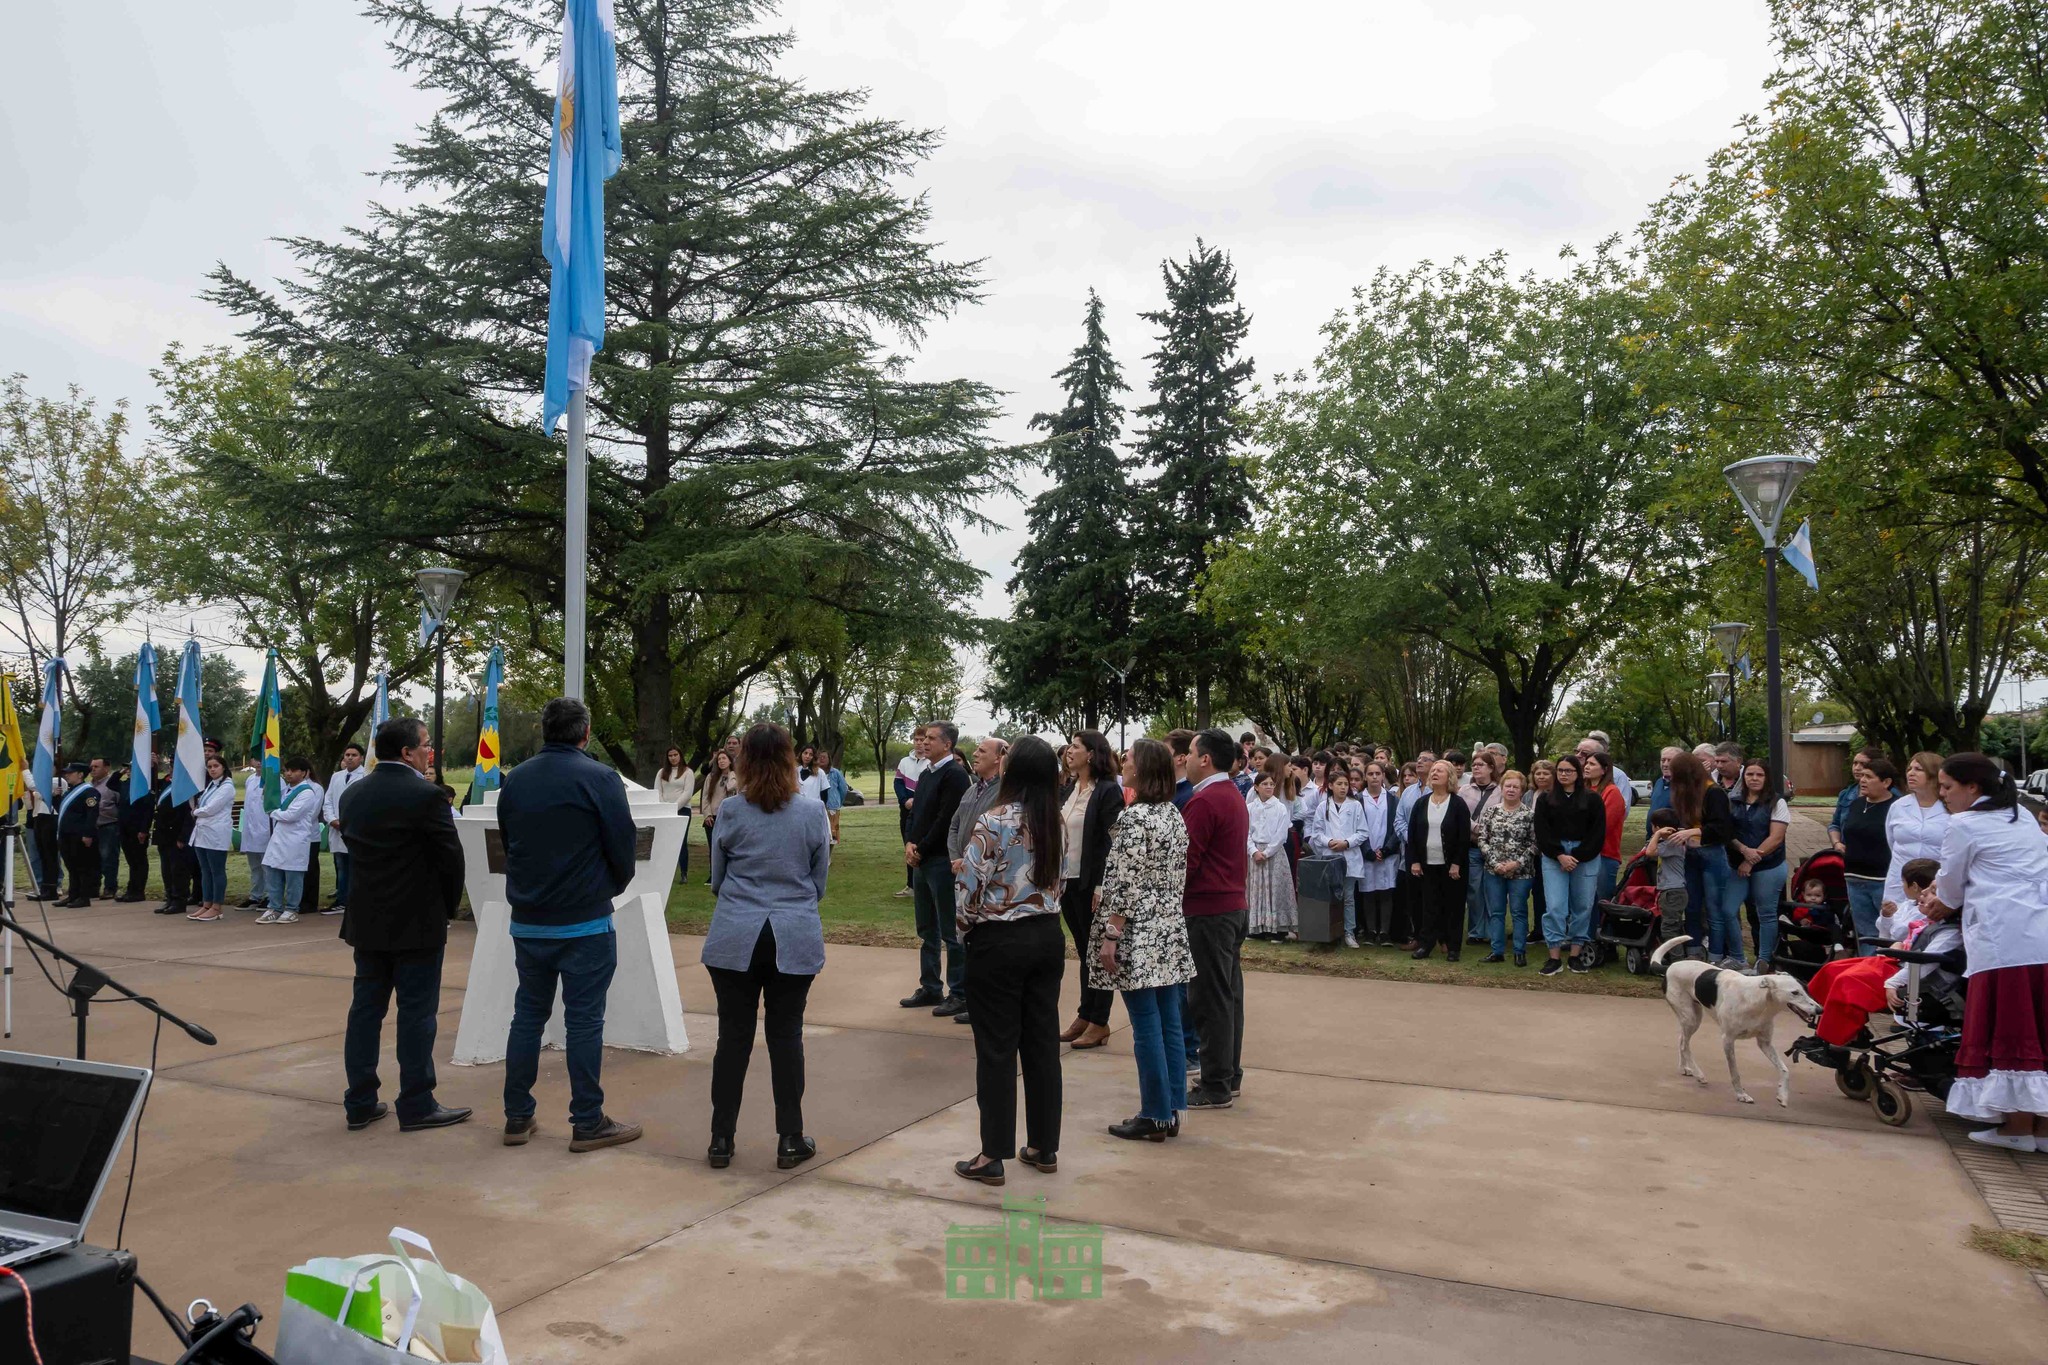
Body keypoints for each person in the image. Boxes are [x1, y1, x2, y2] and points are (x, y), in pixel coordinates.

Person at [498, 696, 641, 1152]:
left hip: (529, 920)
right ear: (586, 732)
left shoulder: (516, 779)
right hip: (584, 922)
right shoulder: (600, 778)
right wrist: (606, 888)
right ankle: (587, 1120)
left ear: (544, 730)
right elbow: (623, 845)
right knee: (583, 1023)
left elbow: (508, 841)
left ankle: (517, 1115)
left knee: (527, 1017)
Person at [703, 723, 831, 1171]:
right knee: (786, 1035)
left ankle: (721, 1138)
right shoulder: (812, 811)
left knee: (732, 1038)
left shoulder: (732, 810)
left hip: (736, 931)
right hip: (792, 931)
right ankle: (790, 1138)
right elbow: (819, 878)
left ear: (745, 761)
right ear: (789, 759)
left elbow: (718, 877)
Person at [338, 716, 471, 1134]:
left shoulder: (353, 794)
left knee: (365, 1012)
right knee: (416, 1014)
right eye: (426, 745)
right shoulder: (428, 796)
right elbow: (451, 859)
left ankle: (360, 1101)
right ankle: (416, 1103)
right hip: (417, 921)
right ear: (407, 752)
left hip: (367, 919)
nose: (430, 752)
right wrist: (446, 909)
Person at [953, 735, 1065, 1185]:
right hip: (1046, 935)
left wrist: (965, 931)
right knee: (1041, 1044)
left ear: (1012, 771)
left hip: (999, 939)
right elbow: (1061, 880)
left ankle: (992, 1153)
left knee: (997, 1048)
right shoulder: (1055, 820)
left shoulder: (994, 820)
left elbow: (970, 887)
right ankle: (1043, 1144)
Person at [1932, 752, 2048, 1151]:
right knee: (2040, 1028)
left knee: (2011, 1027)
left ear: (1972, 787)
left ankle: (2017, 1127)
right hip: (2040, 933)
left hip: (2003, 939)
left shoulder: (1963, 824)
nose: (1943, 794)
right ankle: (2042, 1130)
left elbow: (1950, 886)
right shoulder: (2023, 818)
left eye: (1947, 787)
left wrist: (1939, 903)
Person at [1090, 737, 1194, 1143]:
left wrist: (1111, 933)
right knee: (1169, 1022)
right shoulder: (1172, 813)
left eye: (1129, 757)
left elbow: (1127, 881)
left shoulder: (1136, 818)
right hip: (1167, 928)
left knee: (1147, 1025)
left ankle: (1154, 1112)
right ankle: (1171, 1110)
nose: (1124, 762)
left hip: (1139, 931)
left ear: (1143, 768)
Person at [1793, 859, 1955, 1069]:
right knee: (1832, 969)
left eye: (1932, 891)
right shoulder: (1925, 919)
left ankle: (1838, 1039)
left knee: (1847, 982)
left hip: (1915, 979)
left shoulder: (1948, 932)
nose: (1924, 893)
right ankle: (1833, 1024)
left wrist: (1893, 981)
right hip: (1901, 964)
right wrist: (1900, 943)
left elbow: (1926, 962)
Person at [1182, 728, 1251, 1109]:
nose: (1187, 760)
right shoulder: (1231, 794)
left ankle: (1215, 1084)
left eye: (1191, 753)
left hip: (1209, 911)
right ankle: (1227, 1075)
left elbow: (1186, 862)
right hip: (1231, 907)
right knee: (1227, 997)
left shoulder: (1206, 800)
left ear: (1205, 759)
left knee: (1210, 1000)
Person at [1057, 731, 1124, 1048]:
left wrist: (1101, 884)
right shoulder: (1070, 788)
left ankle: (1099, 1021)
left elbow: (1111, 842)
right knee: (1085, 951)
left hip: (1091, 884)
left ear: (1092, 754)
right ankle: (1085, 1015)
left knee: (1096, 953)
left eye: (1076, 746)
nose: (1069, 751)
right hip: (1066, 881)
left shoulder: (1108, 791)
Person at [903, 721, 971, 1017]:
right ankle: (931, 987)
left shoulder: (954, 775)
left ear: (948, 744)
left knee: (950, 930)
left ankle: (959, 993)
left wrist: (921, 848)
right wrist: (909, 843)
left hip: (941, 861)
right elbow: (915, 813)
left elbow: (946, 820)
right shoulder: (926, 773)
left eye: (931, 738)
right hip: (921, 859)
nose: (924, 742)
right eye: (923, 738)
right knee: (926, 928)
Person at [1534, 753, 1605, 976]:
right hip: (1554, 857)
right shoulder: (1545, 799)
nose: (1564, 774)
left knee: (1582, 906)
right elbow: (1542, 831)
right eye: (1561, 770)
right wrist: (1559, 855)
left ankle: (1575, 954)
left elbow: (1598, 832)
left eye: (1569, 771)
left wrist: (1577, 855)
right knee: (1555, 906)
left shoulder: (1592, 799)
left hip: (1585, 857)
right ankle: (1554, 957)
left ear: (1578, 773)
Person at [1406, 759, 1473, 962]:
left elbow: (1464, 837)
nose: (1434, 773)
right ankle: (1426, 945)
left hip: (1452, 866)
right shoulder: (1421, 803)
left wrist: (1456, 863)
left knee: (1453, 906)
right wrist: (1415, 861)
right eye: (1433, 770)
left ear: (1449, 777)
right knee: (1429, 906)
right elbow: (1412, 835)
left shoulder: (1458, 804)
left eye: (1440, 771)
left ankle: (1453, 947)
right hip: (1427, 865)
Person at [1728, 759, 1791, 972]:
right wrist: (1742, 851)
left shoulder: (1777, 802)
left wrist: (1750, 860)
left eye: (1759, 775)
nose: (1754, 779)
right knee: (1728, 910)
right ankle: (1737, 957)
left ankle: (1764, 960)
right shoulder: (1732, 800)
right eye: (1750, 774)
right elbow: (1727, 832)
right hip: (1736, 864)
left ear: (1767, 778)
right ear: (1743, 777)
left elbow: (1776, 838)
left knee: (1765, 914)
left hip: (1769, 866)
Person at [1840, 754, 1901, 954]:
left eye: (1869, 777)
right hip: (1854, 879)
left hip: (1882, 880)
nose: (1862, 780)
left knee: (1888, 931)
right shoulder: (1857, 804)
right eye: (1862, 776)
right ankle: (1867, 968)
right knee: (1866, 933)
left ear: (1886, 782)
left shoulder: (1897, 807)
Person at [1882, 752, 1951, 926]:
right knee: (1894, 927)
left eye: (1918, 769)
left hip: (1935, 882)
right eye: (1909, 769)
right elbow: (1892, 841)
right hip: (1900, 881)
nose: (1911, 773)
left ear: (1934, 774)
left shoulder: (1950, 807)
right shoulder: (1898, 806)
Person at [1475, 769, 1536, 966]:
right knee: (1496, 911)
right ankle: (1497, 951)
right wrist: (1495, 863)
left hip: (1521, 873)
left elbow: (1535, 844)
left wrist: (1516, 863)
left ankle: (1519, 951)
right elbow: (1482, 839)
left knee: (1518, 912)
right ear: (1501, 788)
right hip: (1494, 871)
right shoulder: (1491, 812)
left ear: (1522, 790)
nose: (1511, 790)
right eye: (1508, 786)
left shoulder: (1529, 815)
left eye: (1515, 787)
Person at [258, 757, 324, 925]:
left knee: (293, 875)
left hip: (295, 838)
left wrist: (273, 812)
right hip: (279, 837)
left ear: (304, 773)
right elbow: (275, 807)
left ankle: (292, 908)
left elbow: (291, 815)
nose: (288, 773)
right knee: (273, 871)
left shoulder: (307, 792)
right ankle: (275, 907)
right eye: (287, 770)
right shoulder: (285, 790)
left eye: (293, 770)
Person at [1307, 766, 1366, 946]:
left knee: (1348, 897)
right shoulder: (1323, 807)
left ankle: (1349, 932)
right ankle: (1329, 932)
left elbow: (1363, 832)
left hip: (1349, 855)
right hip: (1329, 856)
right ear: (1330, 786)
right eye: (1339, 784)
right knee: (1329, 897)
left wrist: (1346, 843)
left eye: (1346, 784)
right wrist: (1329, 842)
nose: (1343, 787)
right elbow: (1317, 832)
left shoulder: (1355, 806)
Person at [1245, 770, 1297, 942]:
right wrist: (1253, 851)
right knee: (1256, 889)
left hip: (1274, 853)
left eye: (1271, 784)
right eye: (1265, 784)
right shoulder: (1250, 808)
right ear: (1256, 787)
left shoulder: (1280, 808)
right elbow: (1246, 832)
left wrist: (1267, 852)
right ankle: (1257, 928)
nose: (1268, 787)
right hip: (1255, 852)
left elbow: (1281, 835)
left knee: (1275, 889)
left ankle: (1278, 930)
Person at [1353, 760, 1400, 944]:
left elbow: (1397, 826)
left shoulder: (1392, 799)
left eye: (1377, 774)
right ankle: (1371, 930)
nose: (1374, 777)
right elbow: (1355, 827)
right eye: (1370, 774)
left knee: (1386, 891)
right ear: (1365, 777)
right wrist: (1368, 851)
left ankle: (1385, 931)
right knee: (1368, 892)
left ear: (1383, 776)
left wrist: (1386, 849)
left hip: (1387, 854)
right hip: (1367, 854)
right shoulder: (1358, 800)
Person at [185, 755, 236, 923]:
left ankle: (217, 906)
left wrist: (195, 812)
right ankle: (207, 904)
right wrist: (197, 809)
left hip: (216, 834)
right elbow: (201, 804)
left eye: (216, 766)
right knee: (205, 870)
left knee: (216, 870)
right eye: (209, 767)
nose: (212, 769)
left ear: (223, 767)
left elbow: (210, 809)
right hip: (202, 832)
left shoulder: (227, 786)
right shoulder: (211, 785)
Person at [1458, 752, 1502, 945]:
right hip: (1472, 846)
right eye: (1474, 764)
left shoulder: (1501, 790)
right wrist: (1477, 828)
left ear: (1491, 768)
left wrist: (1487, 830)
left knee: (1493, 890)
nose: (1476, 767)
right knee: (1474, 890)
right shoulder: (1464, 791)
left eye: (1481, 764)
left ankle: (1493, 931)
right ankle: (1476, 931)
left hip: (1494, 848)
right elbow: (1460, 814)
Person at [323, 743, 369, 914]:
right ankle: (342, 900)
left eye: (354, 755)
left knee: (355, 868)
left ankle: (353, 901)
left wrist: (350, 822)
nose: (349, 758)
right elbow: (328, 801)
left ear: (361, 758)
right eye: (347, 755)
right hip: (337, 828)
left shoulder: (366, 776)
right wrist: (332, 819)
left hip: (356, 830)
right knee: (341, 866)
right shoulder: (336, 776)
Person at [1579, 751, 1627, 901]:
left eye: (1592, 764)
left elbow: (1605, 825)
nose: (1587, 767)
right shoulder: (1581, 790)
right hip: (1581, 852)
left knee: (1601, 901)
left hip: (1604, 854)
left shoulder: (1612, 792)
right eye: (1586, 763)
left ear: (1604, 769)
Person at [55, 762, 101, 907]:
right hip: (66, 835)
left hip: (79, 835)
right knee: (71, 866)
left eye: (70, 773)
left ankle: (84, 897)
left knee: (82, 867)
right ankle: (73, 895)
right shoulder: (69, 791)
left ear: (80, 775)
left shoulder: (89, 792)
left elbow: (92, 814)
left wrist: (88, 834)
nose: (67, 775)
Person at [151, 766, 195, 917]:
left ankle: (179, 900)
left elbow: (188, 815)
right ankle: (169, 897)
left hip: (176, 833)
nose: (172, 769)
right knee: (166, 869)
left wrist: (183, 837)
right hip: (163, 833)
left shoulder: (186, 786)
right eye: (171, 766)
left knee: (178, 870)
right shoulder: (166, 783)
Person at [1645, 808, 1691, 948]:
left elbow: (1649, 852)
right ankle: (1675, 954)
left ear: (1657, 827)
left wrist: (1657, 834)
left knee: (1669, 929)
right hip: (1670, 891)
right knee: (1671, 925)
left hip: (1673, 892)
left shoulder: (1672, 844)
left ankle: (1676, 957)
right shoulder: (1668, 843)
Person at [893, 740, 929, 897]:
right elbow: (898, 783)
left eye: (923, 739)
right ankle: (911, 885)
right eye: (916, 740)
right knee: (908, 845)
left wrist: (919, 800)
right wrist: (904, 800)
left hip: (925, 811)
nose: (920, 743)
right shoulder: (904, 762)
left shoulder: (931, 762)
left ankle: (925, 885)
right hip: (907, 810)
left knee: (924, 846)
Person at [115, 761, 155, 902]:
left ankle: (138, 891)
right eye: (128, 768)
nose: (129, 771)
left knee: (139, 860)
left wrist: (144, 830)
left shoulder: (144, 786)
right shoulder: (126, 784)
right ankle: (131, 890)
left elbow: (148, 810)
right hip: (124, 827)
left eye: (132, 769)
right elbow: (111, 784)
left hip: (137, 829)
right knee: (131, 861)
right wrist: (121, 771)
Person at [656, 746, 697, 883]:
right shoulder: (662, 772)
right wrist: (664, 806)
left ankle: (684, 873)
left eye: (675, 755)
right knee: (665, 841)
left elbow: (687, 793)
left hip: (682, 809)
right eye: (670, 755)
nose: (673, 758)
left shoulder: (688, 772)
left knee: (681, 841)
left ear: (680, 755)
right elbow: (658, 791)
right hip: (664, 811)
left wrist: (674, 807)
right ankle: (665, 872)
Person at [697, 749, 738, 885]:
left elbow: (731, 787)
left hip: (729, 816)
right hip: (713, 816)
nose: (721, 761)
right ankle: (713, 875)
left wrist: (731, 774)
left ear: (730, 761)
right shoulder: (711, 777)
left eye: (724, 758)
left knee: (729, 846)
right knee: (714, 847)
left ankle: (729, 873)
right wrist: (707, 814)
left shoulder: (735, 776)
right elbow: (705, 797)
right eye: (719, 759)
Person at [86, 757, 124, 899]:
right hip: (92, 827)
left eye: (96, 766)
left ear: (106, 768)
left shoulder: (112, 785)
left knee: (108, 858)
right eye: (91, 766)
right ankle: (93, 888)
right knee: (92, 859)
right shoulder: (88, 786)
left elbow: (120, 805)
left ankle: (110, 888)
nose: (93, 769)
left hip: (109, 826)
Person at [236, 764, 272, 909]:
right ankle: (255, 895)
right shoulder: (250, 779)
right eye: (256, 759)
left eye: (261, 759)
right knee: (255, 866)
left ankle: (270, 895)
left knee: (267, 865)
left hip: (265, 828)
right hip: (250, 828)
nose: (258, 763)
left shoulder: (275, 780)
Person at [1644, 746, 1680, 840]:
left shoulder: (1686, 786)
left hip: (1671, 841)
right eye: (1663, 760)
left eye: (1670, 760)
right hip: (1652, 839)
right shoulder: (1659, 782)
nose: (1665, 764)